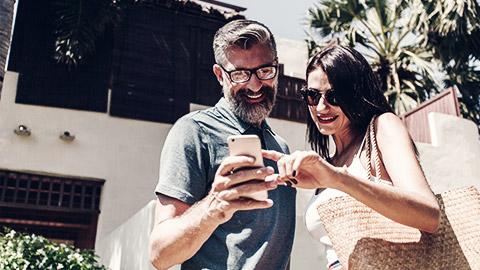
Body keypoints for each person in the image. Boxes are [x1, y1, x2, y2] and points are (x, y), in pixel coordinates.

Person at [263, 44, 440, 270]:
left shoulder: (382, 128)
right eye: (312, 95)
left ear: (357, 94)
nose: (320, 106)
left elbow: (430, 215)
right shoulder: (328, 163)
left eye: (334, 96)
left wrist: (340, 179)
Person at [149, 19, 296, 270]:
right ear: (219, 75)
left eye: (264, 70)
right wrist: (214, 206)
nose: (255, 85)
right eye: (240, 74)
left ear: (276, 67)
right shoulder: (194, 132)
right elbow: (160, 255)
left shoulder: (280, 147)